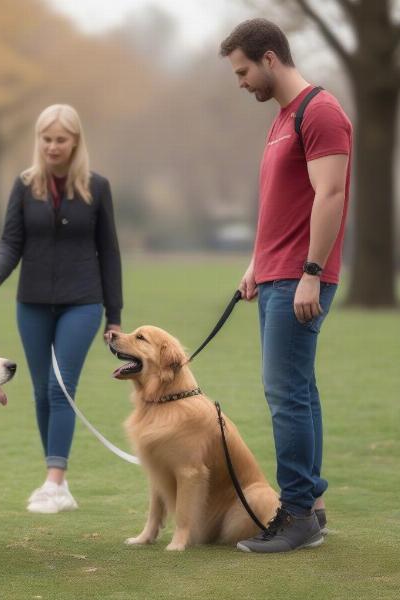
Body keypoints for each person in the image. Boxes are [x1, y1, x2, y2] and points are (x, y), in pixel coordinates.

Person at [219, 19, 352, 553]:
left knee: (285, 395)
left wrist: (311, 273)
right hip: (275, 275)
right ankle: (312, 507)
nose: (242, 81)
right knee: (299, 391)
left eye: (244, 70)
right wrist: (257, 261)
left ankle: (295, 515)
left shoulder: (321, 112)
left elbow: (331, 194)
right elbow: (283, 203)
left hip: (300, 279)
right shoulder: (282, 119)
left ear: (270, 58)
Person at [0, 104, 122, 514]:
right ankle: (54, 479)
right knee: (41, 392)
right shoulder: (25, 186)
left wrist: (114, 315)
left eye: (61, 139)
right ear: (38, 141)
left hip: (83, 301)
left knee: (62, 388)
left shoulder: (97, 187)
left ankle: (54, 483)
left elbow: (109, 254)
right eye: (46, 139)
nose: (53, 146)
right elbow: (11, 242)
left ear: (75, 141)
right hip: (33, 303)